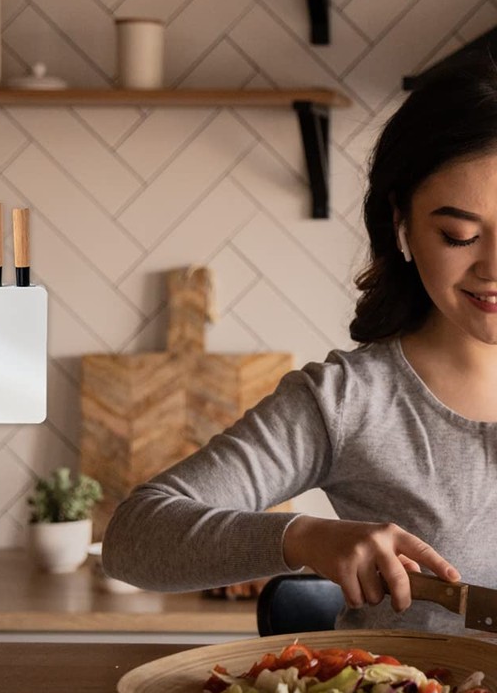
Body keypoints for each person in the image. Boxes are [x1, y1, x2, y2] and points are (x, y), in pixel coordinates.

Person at [102, 49, 497, 635]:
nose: (493, 268)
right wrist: (305, 537)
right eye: (459, 235)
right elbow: (135, 536)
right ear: (402, 226)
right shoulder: (349, 401)